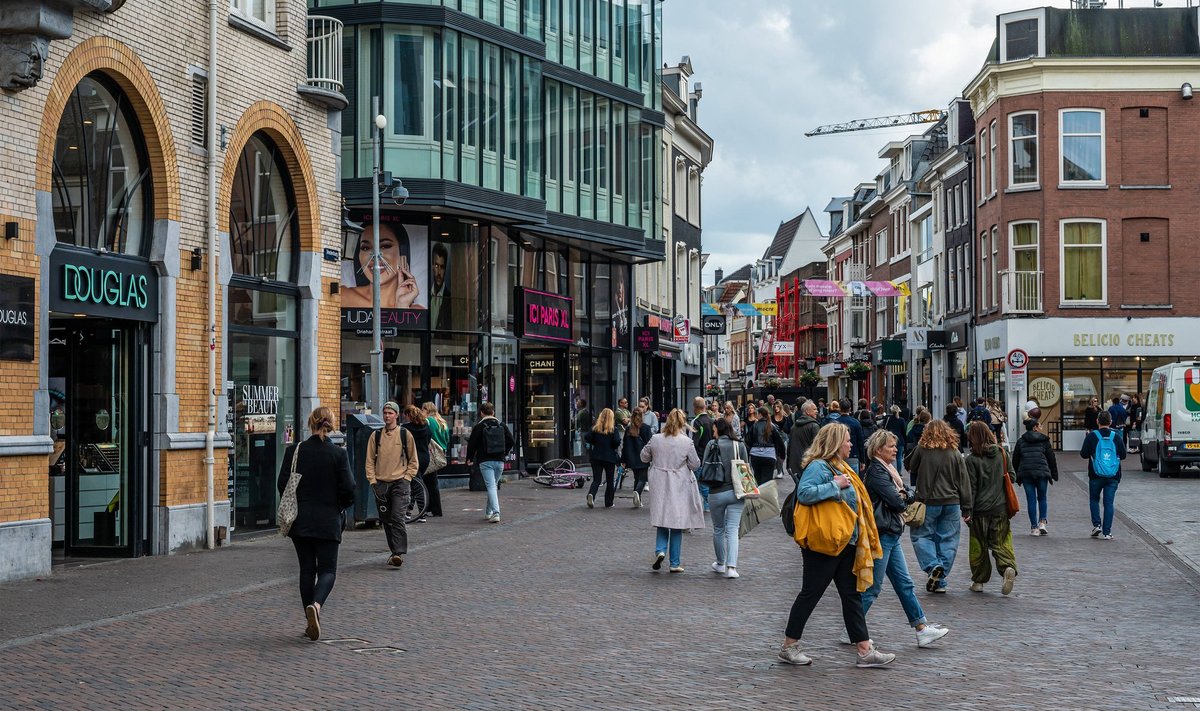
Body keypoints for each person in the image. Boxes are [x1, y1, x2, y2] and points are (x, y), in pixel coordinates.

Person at [777, 423, 894, 669]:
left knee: (851, 596)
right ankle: (789, 646)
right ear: (835, 443)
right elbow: (805, 494)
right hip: (824, 544)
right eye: (847, 441)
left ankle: (864, 649)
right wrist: (835, 486)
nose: (851, 445)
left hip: (845, 542)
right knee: (811, 593)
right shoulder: (819, 466)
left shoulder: (840, 466)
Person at [860, 430, 951, 648]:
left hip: (891, 532)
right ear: (879, 449)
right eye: (891, 446)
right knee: (873, 588)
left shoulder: (889, 471)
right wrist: (904, 495)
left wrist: (904, 494)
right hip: (883, 533)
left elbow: (907, 493)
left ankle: (921, 629)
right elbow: (899, 502)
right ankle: (852, 627)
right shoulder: (877, 473)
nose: (895, 449)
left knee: (904, 584)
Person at [277, 406, 355, 641]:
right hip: (328, 519)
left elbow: (282, 483)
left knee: (306, 570)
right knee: (328, 570)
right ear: (330, 424)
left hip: (300, 521)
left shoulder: (295, 451)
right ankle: (317, 606)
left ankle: (309, 619)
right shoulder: (338, 454)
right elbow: (349, 488)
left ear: (310, 423)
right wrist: (339, 505)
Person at [906, 419, 972, 594]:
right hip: (951, 502)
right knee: (948, 539)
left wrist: (919, 446)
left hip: (928, 501)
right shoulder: (955, 453)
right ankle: (940, 577)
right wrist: (967, 507)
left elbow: (909, 465)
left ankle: (933, 566)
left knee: (921, 536)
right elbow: (963, 481)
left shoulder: (922, 449)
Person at [640, 408, 704, 573]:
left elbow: (643, 457)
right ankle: (674, 563)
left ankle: (660, 550)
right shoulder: (686, 442)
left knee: (662, 518)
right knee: (677, 521)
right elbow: (695, 464)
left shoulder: (656, 439)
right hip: (679, 482)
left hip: (659, 480)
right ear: (683, 423)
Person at [963, 422, 1018, 595]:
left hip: (979, 510)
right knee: (1001, 542)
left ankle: (978, 581)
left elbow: (970, 487)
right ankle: (1007, 567)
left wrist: (967, 511)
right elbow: (1013, 477)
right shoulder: (1002, 453)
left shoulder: (971, 460)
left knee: (978, 546)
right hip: (1000, 508)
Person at [365, 401, 419, 567]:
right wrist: (373, 481)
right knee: (386, 520)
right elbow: (369, 460)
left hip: (400, 483)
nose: (387, 416)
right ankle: (394, 550)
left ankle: (398, 552)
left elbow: (413, 460)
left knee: (397, 517)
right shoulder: (376, 436)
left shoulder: (405, 434)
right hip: (381, 483)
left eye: (390, 413)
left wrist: (407, 478)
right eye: (385, 413)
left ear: (396, 415)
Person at [342, 222, 424, 309]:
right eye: (365, 248)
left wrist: (401, 306)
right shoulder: (343, 296)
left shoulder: (417, 310)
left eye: (385, 246)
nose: (375, 256)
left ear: (402, 253)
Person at [704, 418, 747, 579]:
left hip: (716, 492)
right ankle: (732, 567)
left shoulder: (711, 445)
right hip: (736, 491)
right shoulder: (739, 445)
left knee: (718, 529)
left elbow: (705, 465)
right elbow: (745, 468)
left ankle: (720, 563)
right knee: (733, 530)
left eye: (714, 429)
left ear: (718, 430)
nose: (713, 432)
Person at [1080, 410, 1125, 540]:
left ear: (1097, 421)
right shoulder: (1116, 436)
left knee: (1094, 499)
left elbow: (1083, 454)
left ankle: (1097, 525)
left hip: (1095, 474)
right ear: (1111, 422)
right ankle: (1107, 532)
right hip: (1113, 475)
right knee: (1109, 503)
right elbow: (1123, 455)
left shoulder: (1092, 436)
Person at [467, 402, 515, 524]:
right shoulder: (501, 425)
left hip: (485, 461)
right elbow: (511, 441)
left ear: (481, 413)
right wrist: (504, 453)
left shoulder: (479, 427)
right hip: (500, 461)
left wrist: (470, 458)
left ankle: (496, 513)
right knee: (492, 486)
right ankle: (489, 512)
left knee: (491, 487)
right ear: (493, 412)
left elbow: (472, 444)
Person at [1012, 417, 1058, 536]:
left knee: (1031, 500)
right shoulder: (1044, 440)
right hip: (1042, 472)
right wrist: (1054, 474)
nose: (1041, 427)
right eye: (1039, 425)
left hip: (1026, 473)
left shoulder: (1021, 441)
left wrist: (1015, 475)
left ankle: (1034, 527)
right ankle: (1042, 522)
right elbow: (1051, 458)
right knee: (1042, 497)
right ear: (1035, 427)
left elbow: (1015, 460)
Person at [584, 408, 622, 509]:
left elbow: (587, 437)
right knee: (610, 480)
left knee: (596, 479)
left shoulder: (595, 428)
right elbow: (616, 442)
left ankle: (591, 494)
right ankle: (609, 502)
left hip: (596, 456)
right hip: (609, 457)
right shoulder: (614, 429)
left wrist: (595, 443)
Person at [402, 405, 432, 524]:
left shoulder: (405, 428)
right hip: (425, 457)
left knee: (417, 485)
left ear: (409, 415)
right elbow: (429, 440)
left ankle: (422, 513)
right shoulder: (426, 427)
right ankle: (409, 512)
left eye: (406, 416)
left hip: (413, 458)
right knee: (416, 482)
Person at [422, 401, 449, 518]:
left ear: (427, 410)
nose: (421, 412)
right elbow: (447, 439)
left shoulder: (428, 421)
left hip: (431, 453)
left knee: (430, 482)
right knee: (432, 482)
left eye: (422, 410)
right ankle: (433, 508)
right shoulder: (442, 422)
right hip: (440, 453)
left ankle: (434, 509)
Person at [746, 406, 784, 486]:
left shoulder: (754, 426)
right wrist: (781, 455)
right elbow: (779, 441)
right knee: (767, 480)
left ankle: (759, 496)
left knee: (757, 477)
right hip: (769, 455)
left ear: (760, 414)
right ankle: (765, 496)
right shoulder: (772, 426)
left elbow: (748, 441)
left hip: (755, 454)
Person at [824, 400, 865, 471]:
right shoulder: (856, 423)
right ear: (850, 409)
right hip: (853, 455)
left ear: (839, 408)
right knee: (853, 480)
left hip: (837, 456)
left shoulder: (834, 423)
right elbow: (860, 442)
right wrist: (862, 460)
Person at [623, 409, 653, 508]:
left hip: (632, 457)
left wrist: (623, 459)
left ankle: (637, 499)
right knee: (643, 478)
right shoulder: (646, 428)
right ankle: (637, 492)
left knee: (637, 477)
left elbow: (625, 445)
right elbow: (649, 443)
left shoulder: (628, 429)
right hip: (643, 456)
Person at [691, 396, 714, 512]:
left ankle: (708, 504)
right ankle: (706, 505)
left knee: (698, 483)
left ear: (695, 408)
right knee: (705, 481)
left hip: (699, 457)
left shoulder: (697, 422)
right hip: (709, 456)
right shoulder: (711, 420)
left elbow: (694, 443)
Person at [787, 400, 821, 476]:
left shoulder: (794, 426)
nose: (817, 411)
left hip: (796, 463)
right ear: (807, 411)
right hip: (809, 463)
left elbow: (790, 447)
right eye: (814, 409)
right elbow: (818, 447)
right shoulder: (814, 426)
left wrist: (789, 464)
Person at [428, 241, 450, 331]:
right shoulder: (425, 294)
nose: (439, 272)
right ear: (432, 266)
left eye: (442, 267)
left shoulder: (449, 298)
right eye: (436, 266)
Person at [881, 405, 909, 475]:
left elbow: (885, 429)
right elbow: (903, 431)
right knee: (899, 457)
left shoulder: (888, 419)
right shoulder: (901, 420)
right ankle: (899, 472)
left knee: (889, 456)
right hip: (900, 440)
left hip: (890, 439)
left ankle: (891, 471)